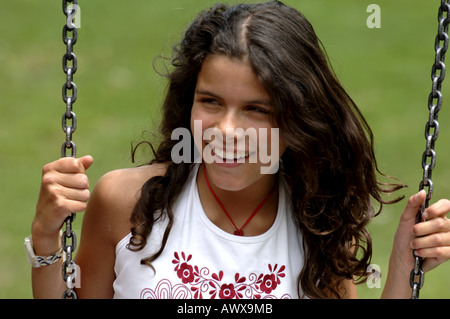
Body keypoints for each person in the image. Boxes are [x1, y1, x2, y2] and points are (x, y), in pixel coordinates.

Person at [30, 1, 450, 299]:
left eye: (256, 109)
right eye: (210, 101)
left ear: (296, 120)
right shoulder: (127, 203)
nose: (227, 130)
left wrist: (401, 268)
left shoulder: (314, 225)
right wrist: (47, 237)